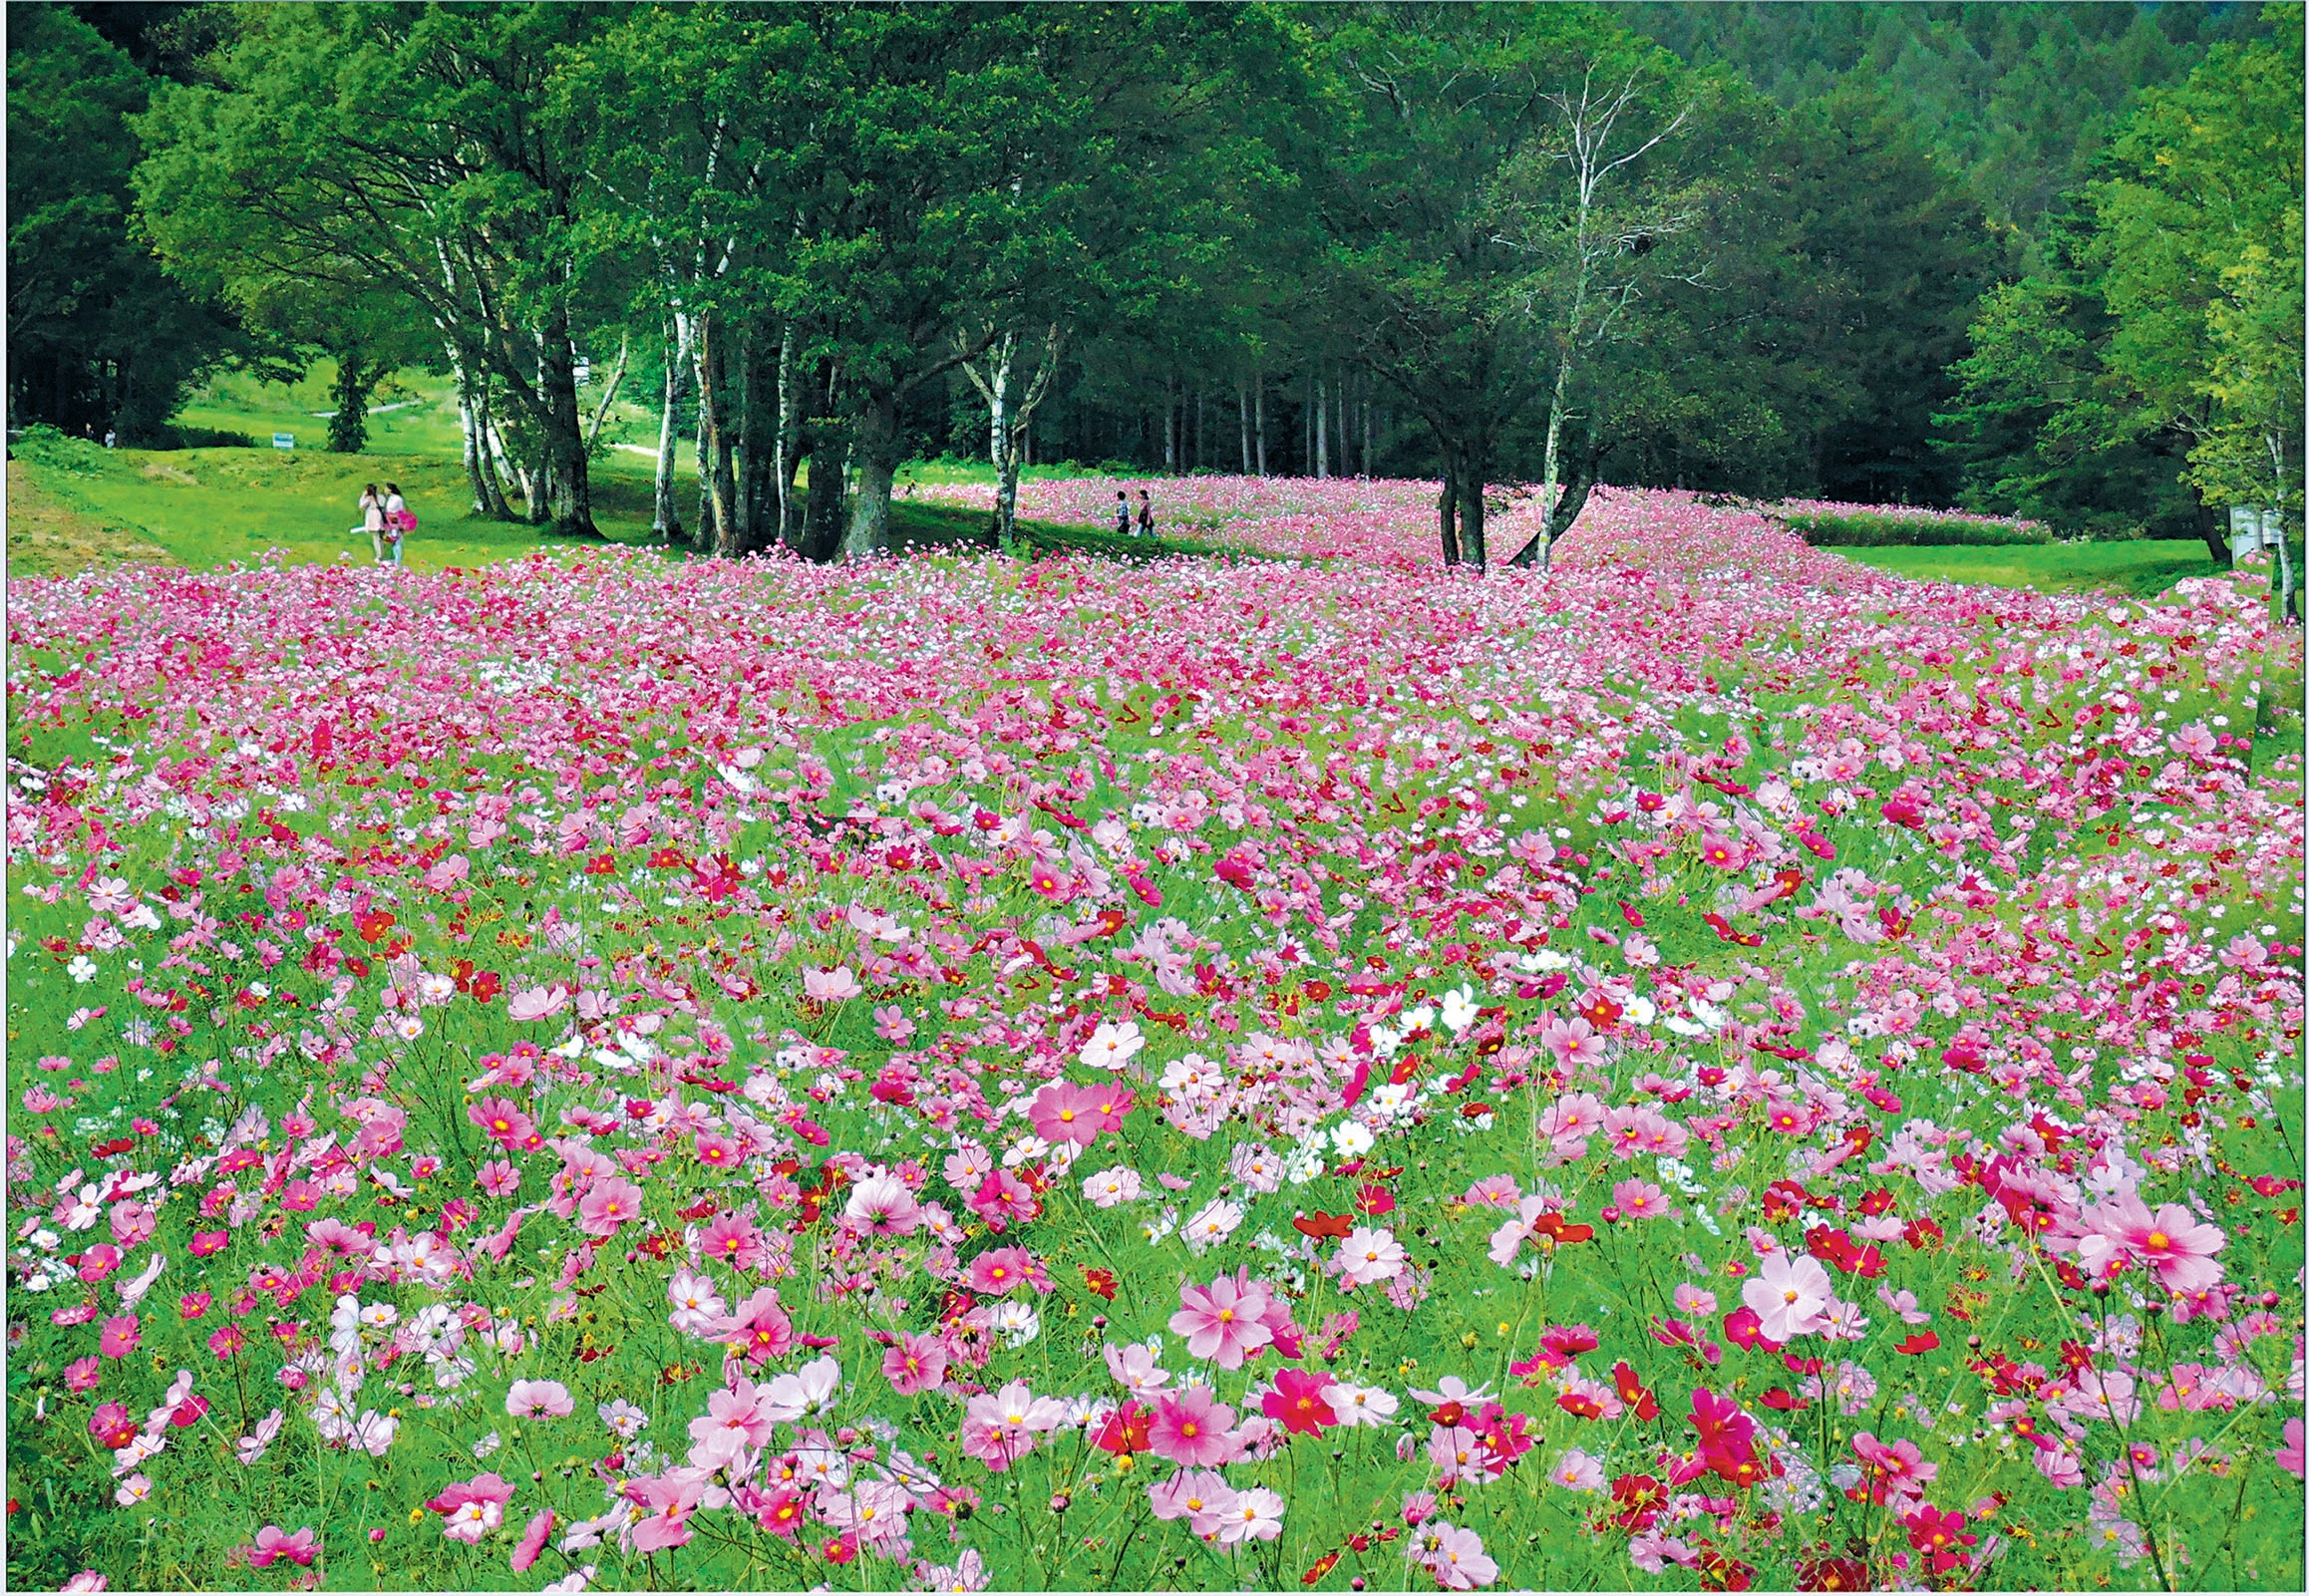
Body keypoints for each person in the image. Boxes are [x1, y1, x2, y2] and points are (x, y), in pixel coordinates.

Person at [354, 482, 387, 562]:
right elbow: (383, 504)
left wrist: (363, 496)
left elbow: (361, 506)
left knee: (376, 537)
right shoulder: (380, 497)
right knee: (379, 537)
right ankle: (381, 554)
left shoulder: (368, 498)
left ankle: (379, 556)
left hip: (372, 516)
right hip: (379, 515)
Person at [382, 482, 409, 567]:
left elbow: (400, 510)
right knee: (392, 540)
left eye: (386, 488)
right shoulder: (390, 498)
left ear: (390, 489)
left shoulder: (397, 499)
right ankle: (395, 559)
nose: (384, 490)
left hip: (395, 520)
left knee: (396, 540)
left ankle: (398, 561)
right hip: (390, 519)